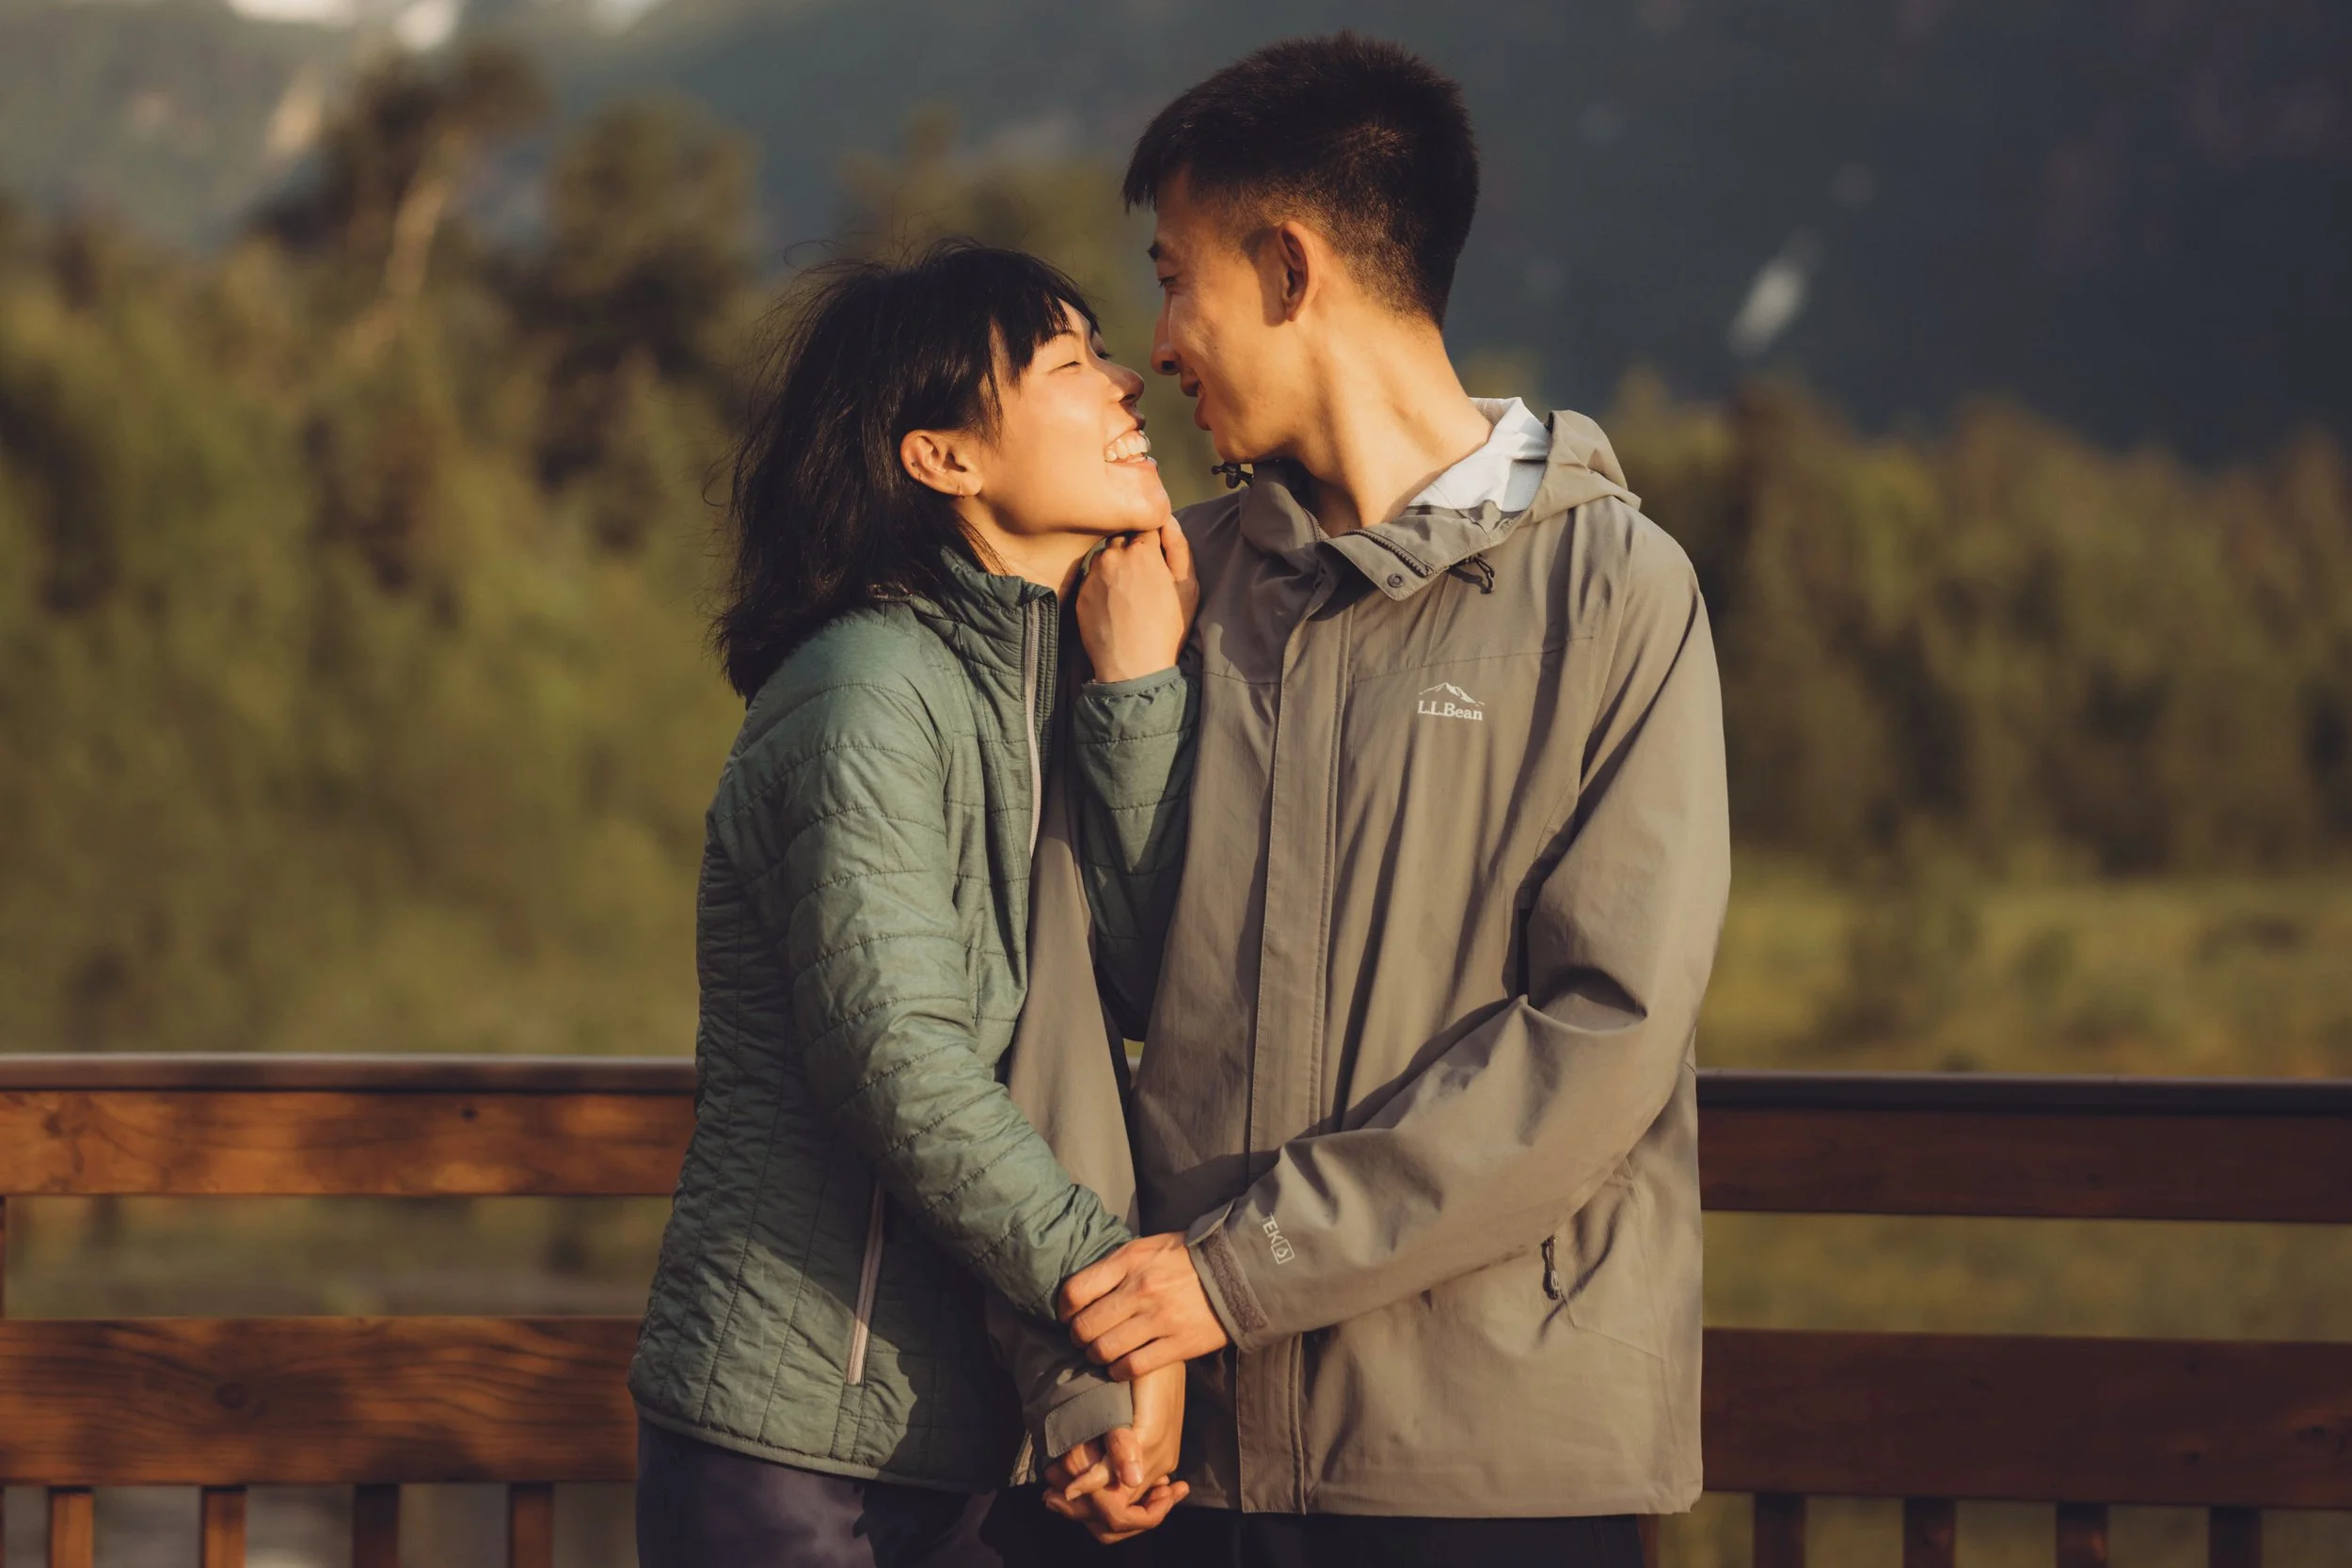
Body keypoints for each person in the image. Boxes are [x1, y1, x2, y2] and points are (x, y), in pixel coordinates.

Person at [1047, 35, 1730, 1568]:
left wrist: (1231, 1275)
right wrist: (1092, 1366)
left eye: (1177, 279)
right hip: (1185, 1460)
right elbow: (1071, 1000)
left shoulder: (1614, 592)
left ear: (1290, 267)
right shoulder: (1168, 589)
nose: (1160, 344)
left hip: (1488, 1470)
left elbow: (1600, 1035)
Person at [627, 241, 1199, 1568]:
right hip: (797, 1441)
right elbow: (895, 1057)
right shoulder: (867, 687)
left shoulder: (1035, 682)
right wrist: (1113, 1304)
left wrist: (1134, 692)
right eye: (1070, 363)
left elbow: (1150, 980)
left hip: (974, 1436)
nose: (1128, 382)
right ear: (943, 457)